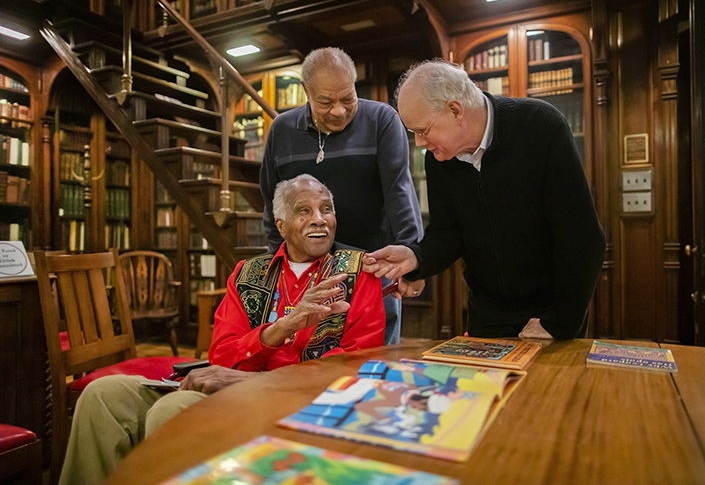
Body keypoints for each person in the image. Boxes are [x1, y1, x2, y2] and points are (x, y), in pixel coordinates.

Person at [59, 174, 385, 485]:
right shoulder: (248, 274)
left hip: (295, 402)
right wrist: (281, 328)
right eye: (304, 210)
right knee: (103, 395)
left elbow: (356, 370)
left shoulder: (356, 274)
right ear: (282, 225)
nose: (319, 219)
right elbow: (223, 354)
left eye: (326, 209)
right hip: (228, 387)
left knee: (172, 410)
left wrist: (257, 379)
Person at [364, 60, 606, 340]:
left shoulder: (541, 126)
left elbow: (582, 238)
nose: (419, 143)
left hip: (551, 311)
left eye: (423, 130)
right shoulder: (439, 158)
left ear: (455, 110)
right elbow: (448, 233)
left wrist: (561, 323)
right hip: (487, 312)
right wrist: (417, 257)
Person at [260, 47, 424, 345]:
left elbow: (399, 193)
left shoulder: (381, 120)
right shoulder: (282, 130)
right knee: (302, 367)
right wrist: (276, 265)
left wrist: (414, 257)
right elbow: (273, 207)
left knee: (373, 367)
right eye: (325, 102)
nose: (339, 110)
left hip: (373, 270)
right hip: (305, 276)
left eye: (348, 98)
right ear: (306, 91)